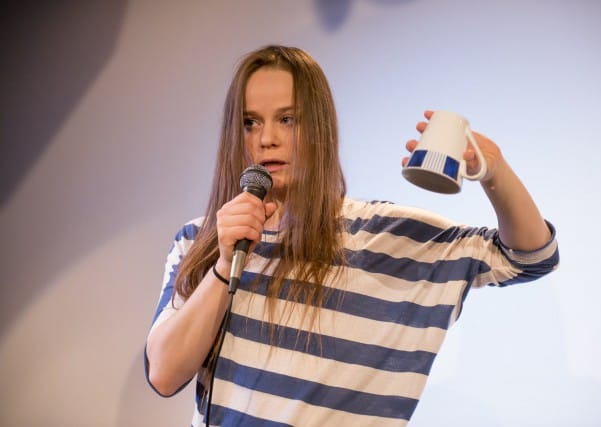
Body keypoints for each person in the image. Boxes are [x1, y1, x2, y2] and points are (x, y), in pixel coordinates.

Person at [144, 45, 559, 427]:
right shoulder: (201, 240)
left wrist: (494, 171)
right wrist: (222, 265)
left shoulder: (386, 239)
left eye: (287, 119)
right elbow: (163, 375)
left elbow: (530, 256)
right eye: (250, 123)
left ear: (320, 128)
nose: (266, 139)